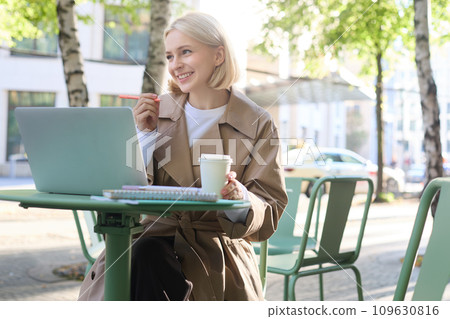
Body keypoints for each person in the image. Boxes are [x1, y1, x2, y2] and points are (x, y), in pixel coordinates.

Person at [78, 11, 288, 301]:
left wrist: (239, 199)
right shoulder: (154, 113)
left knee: (145, 259)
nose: (176, 65)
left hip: (216, 255)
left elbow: (270, 208)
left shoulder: (257, 121)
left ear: (218, 55)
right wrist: (144, 135)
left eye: (186, 52)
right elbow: (121, 188)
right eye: (169, 56)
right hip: (146, 244)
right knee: (146, 254)